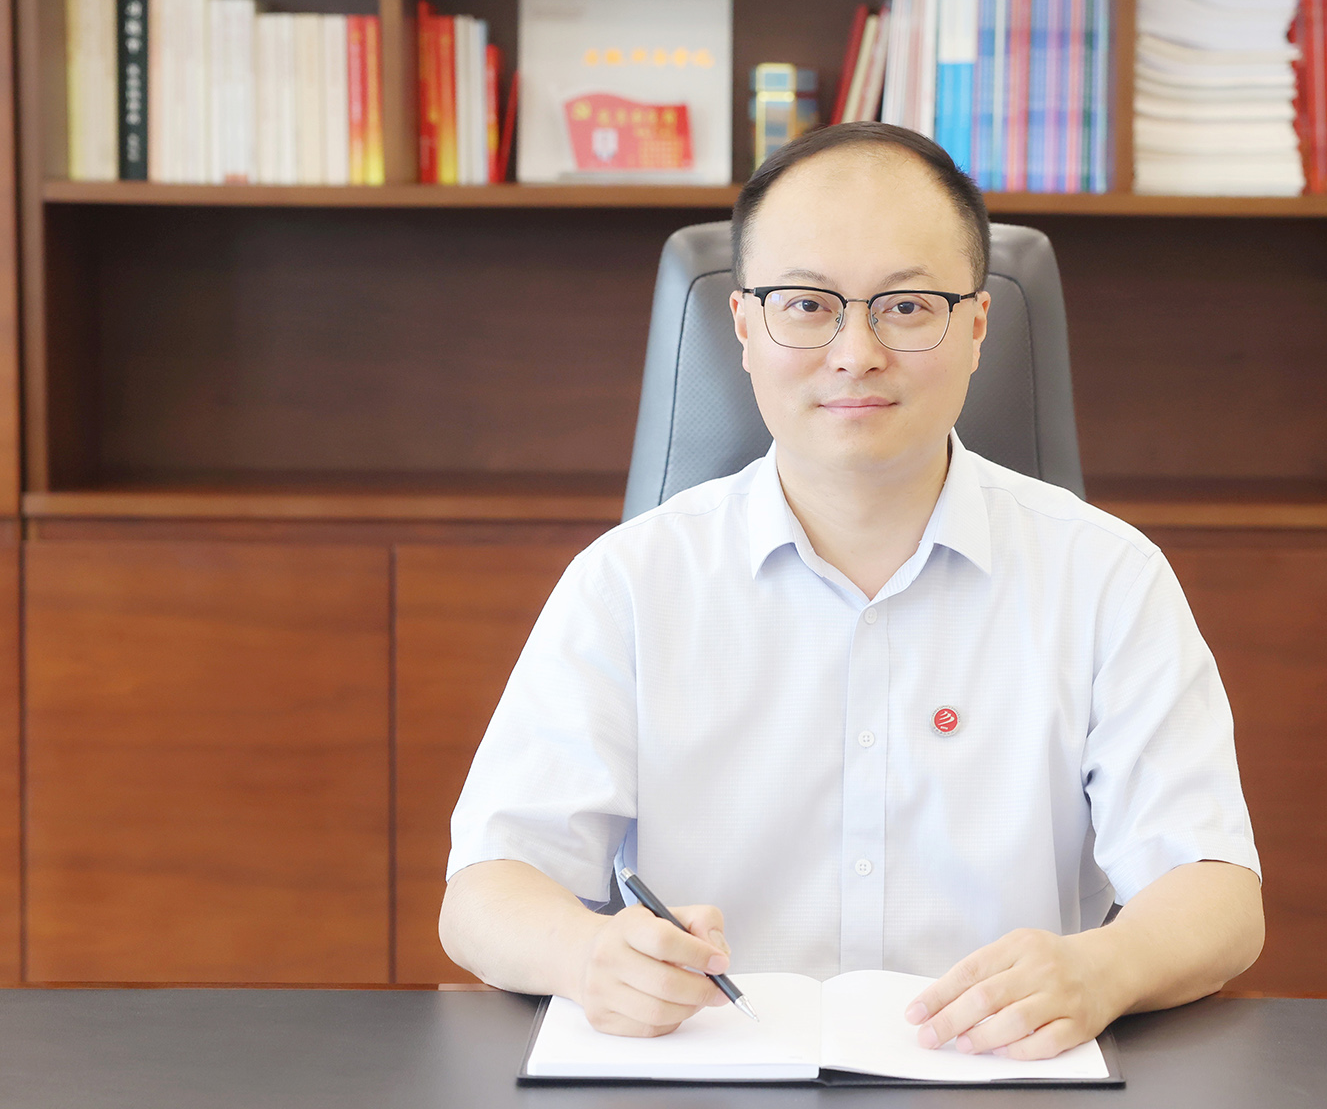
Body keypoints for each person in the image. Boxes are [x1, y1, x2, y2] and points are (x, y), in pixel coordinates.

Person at [439, 121, 1263, 1061]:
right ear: (743, 325)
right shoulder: (629, 582)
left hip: (996, 1075)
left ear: (978, 325)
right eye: (806, 304)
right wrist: (590, 955)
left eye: (907, 306)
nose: (856, 351)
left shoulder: (1106, 577)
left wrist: (1102, 968)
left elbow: (1217, 892)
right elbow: (486, 891)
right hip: (706, 1079)